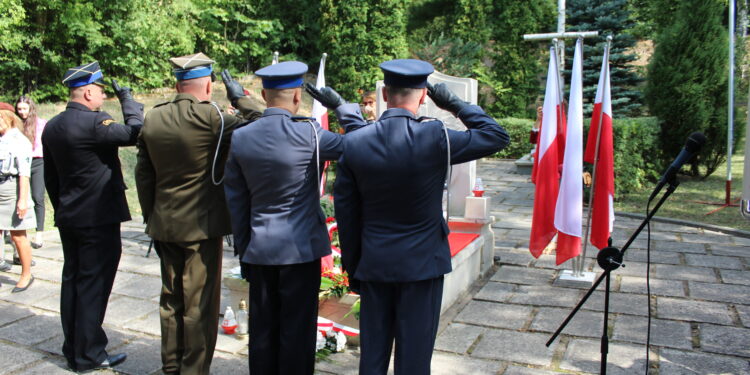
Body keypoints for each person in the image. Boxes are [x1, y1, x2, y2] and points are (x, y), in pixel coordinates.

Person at [334, 59, 510, 375]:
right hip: (423, 265)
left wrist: (354, 267)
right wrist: (455, 104)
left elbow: (346, 214)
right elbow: (496, 136)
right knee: (415, 359)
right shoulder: (436, 137)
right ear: (424, 97)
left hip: (375, 263)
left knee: (372, 357)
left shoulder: (355, 142)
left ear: (385, 94)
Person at [223, 61, 365, 374]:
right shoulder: (311, 134)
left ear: (263, 94)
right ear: (298, 97)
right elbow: (363, 141)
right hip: (300, 250)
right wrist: (342, 108)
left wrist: (245, 249)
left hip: (259, 248)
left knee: (262, 331)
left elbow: (236, 199)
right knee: (297, 331)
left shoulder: (243, 137)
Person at [134, 52, 263, 375]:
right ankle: (193, 370)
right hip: (202, 225)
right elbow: (263, 123)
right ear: (208, 85)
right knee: (199, 306)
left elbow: (143, 174)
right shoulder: (214, 118)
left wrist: (152, 215)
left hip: (163, 222)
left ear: (178, 84)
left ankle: (171, 365)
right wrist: (239, 96)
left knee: (170, 301)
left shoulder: (153, 117)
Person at [43, 61, 143, 372]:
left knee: (73, 282)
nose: (103, 97)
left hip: (70, 215)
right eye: (100, 91)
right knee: (93, 286)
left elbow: (50, 177)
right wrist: (128, 99)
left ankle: (74, 347)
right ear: (87, 92)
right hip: (97, 219)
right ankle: (88, 354)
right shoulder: (94, 123)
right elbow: (136, 132)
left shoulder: (53, 126)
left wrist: (61, 209)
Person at [0, 110, 36, 292]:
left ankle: (26, 274)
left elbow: (24, 174)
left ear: (9, 118)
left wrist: (22, 201)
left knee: (17, 235)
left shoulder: (19, 141)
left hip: (12, 189)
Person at [15, 95, 47, 249]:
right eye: (19, 109)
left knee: (38, 196)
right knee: (20, 197)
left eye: (24, 108)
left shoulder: (41, 124)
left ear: (30, 108)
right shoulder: (15, 125)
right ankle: (19, 232)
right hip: (20, 163)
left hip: (38, 161)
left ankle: (39, 233)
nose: (22, 112)